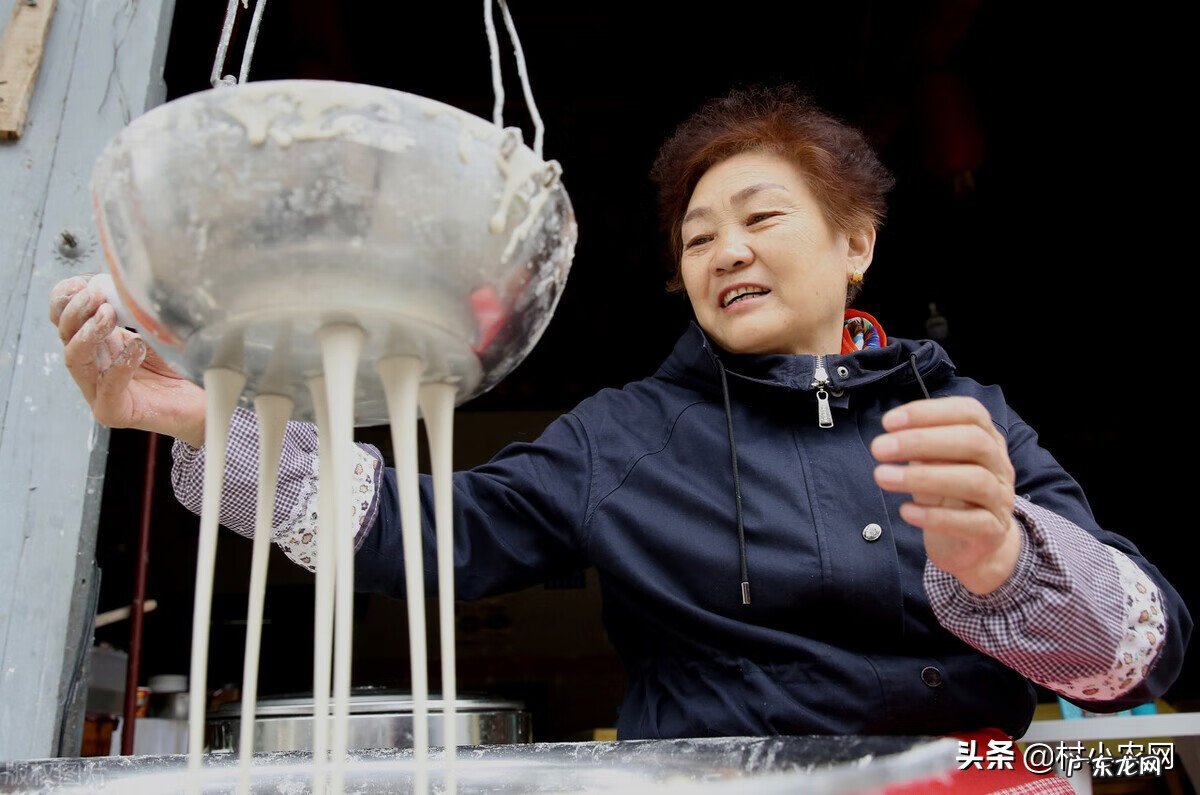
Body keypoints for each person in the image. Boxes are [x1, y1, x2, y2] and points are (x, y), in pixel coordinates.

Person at [51, 84, 1188, 778]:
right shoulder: (628, 436)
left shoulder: (966, 418)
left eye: (762, 217)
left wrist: (1003, 562)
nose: (727, 250)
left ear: (857, 245)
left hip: (973, 781)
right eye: (697, 238)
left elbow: (1139, 659)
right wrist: (209, 417)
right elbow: (422, 533)